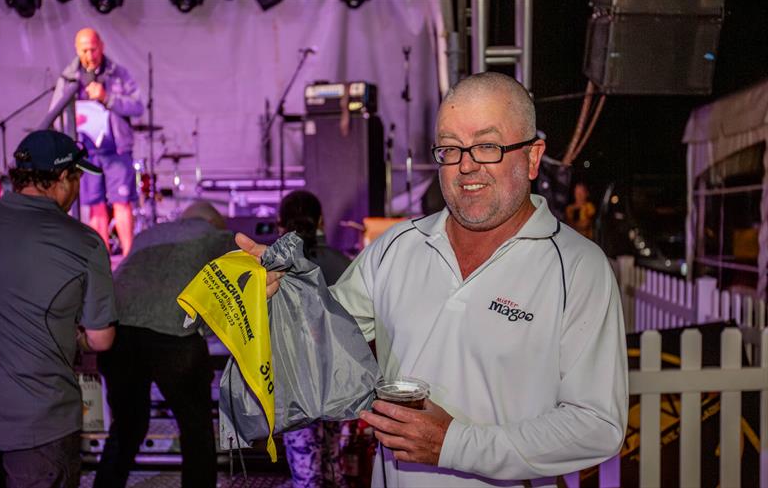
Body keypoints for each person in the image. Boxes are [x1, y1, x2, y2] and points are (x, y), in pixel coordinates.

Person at [236, 72, 628, 487]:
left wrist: (454, 444)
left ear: (532, 157)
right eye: (450, 148)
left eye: (487, 145)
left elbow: (597, 425)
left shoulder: (578, 268)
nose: (465, 165)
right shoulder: (397, 248)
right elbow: (324, 345)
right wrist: (283, 297)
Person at [0, 130, 117, 488]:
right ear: (63, 178)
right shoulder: (84, 241)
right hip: (41, 425)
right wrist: (73, 336)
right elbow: (101, 339)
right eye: (78, 178)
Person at [93, 200, 237, 488]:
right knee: (195, 429)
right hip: (174, 337)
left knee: (127, 427)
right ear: (214, 223)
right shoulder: (221, 238)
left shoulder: (148, 234)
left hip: (119, 332)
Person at [277, 190, 352, 487]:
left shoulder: (272, 268)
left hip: (296, 381)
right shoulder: (344, 264)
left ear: (279, 223)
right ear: (321, 220)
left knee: (305, 468)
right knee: (334, 463)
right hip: (337, 378)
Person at [50, 27, 144, 256]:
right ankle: (103, 262)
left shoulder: (118, 73)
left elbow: (138, 106)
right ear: (76, 49)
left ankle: (129, 259)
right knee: (95, 206)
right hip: (86, 152)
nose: (89, 55)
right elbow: (54, 115)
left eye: (93, 49)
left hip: (116, 150)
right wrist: (74, 117)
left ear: (101, 46)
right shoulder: (68, 77)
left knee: (122, 203)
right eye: (84, 50)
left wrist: (107, 98)